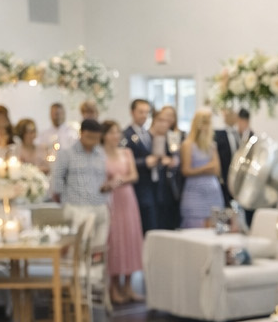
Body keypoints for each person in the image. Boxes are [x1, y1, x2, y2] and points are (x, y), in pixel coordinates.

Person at [50, 118, 113, 258]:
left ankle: (95, 278)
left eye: (96, 138)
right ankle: (77, 278)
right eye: (90, 137)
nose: (93, 141)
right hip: (77, 206)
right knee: (79, 248)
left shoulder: (101, 153)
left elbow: (104, 177)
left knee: (98, 248)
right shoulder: (67, 153)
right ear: (82, 134)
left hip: (100, 205)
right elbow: (57, 179)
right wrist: (64, 203)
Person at [102, 121, 144, 305]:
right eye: (112, 132)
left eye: (117, 132)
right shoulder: (100, 155)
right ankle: (114, 286)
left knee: (130, 238)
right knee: (115, 240)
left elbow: (134, 176)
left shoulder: (126, 152)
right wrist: (109, 184)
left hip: (127, 198)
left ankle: (128, 285)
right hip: (111, 200)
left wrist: (121, 179)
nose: (116, 136)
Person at [178, 108, 225, 228]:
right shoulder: (188, 144)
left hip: (213, 193)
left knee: (214, 227)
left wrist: (204, 168)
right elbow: (186, 170)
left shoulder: (211, 145)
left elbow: (216, 169)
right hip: (195, 194)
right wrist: (205, 168)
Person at [147, 105, 182, 231]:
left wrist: (173, 161)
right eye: (161, 120)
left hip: (168, 186)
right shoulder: (147, 137)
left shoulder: (173, 137)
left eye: (167, 121)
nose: (164, 124)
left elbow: (177, 157)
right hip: (151, 185)